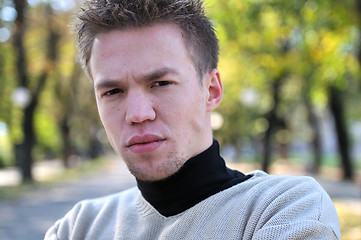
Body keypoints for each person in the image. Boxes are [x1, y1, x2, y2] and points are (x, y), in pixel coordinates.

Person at [45, 0, 341, 239]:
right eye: (112, 91)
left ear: (211, 91)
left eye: (161, 83)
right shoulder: (78, 227)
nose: (137, 114)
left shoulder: (284, 208)